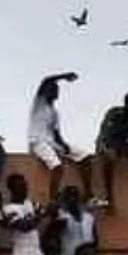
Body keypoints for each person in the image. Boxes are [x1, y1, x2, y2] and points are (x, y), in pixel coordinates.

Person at [28, 71, 95, 202]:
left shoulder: (54, 113)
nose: (54, 91)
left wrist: (64, 145)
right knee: (57, 167)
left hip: (52, 142)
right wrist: (64, 77)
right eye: (51, 89)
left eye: (55, 90)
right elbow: (46, 80)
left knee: (86, 157)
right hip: (37, 142)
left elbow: (56, 133)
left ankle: (88, 193)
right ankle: (52, 199)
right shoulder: (39, 103)